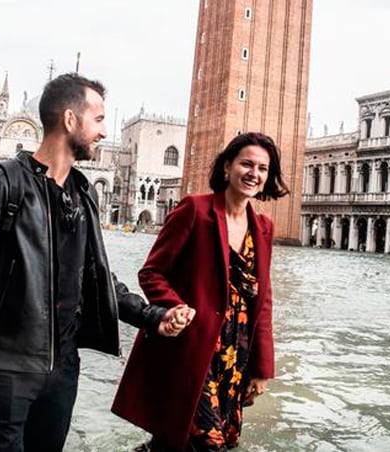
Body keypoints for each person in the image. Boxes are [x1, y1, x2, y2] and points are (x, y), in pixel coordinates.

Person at [0, 73, 191, 452]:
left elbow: (98, 276)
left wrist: (153, 316)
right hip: (6, 373)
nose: (103, 132)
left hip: (62, 374)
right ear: (70, 120)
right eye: (99, 120)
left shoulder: (83, 193)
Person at [112, 132, 289, 451]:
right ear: (226, 167)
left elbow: (263, 303)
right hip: (194, 348)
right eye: (246, 164)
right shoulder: (195, 210)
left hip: (235, 355)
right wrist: (174, 307)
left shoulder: (263, 227)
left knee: (177, 442)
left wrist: (262, 368)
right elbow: (151, 272)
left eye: (262, 168)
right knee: (208, 444)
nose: (254, 173)